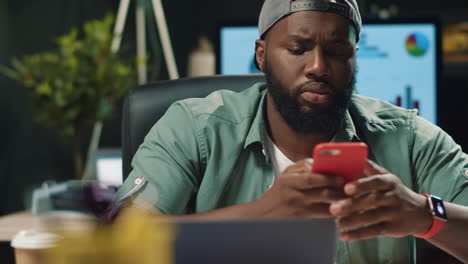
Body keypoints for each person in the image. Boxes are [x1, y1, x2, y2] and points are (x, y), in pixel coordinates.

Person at [115, 0, 468, 262]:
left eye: (338, 51)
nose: (318, 66)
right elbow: (115, 246)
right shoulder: (194, 128)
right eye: (298, 49)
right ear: (261, 54)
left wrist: (425, 213)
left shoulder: (409, 138)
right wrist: (266, 212)